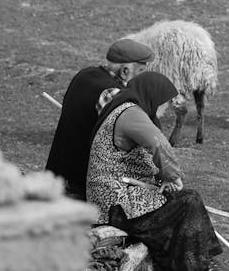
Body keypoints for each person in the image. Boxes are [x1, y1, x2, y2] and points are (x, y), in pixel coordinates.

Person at [87, 71, 222, 271]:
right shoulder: (130, 113)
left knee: (179, 203)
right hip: (114, 204)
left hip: (117, 197)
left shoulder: (123, 108)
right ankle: (196, 265)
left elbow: (141, 156)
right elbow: (159, 143)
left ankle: (194, 261)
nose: (164, 108)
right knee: (189, 201)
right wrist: (171, 175)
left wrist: (161, 177)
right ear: (152, 95)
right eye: (164, 103)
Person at [45, 37, 154, 200]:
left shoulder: (84, 75)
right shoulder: (112, 94)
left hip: (58, 172)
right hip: (84, 182)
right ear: (125, 71)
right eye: (140, 72)